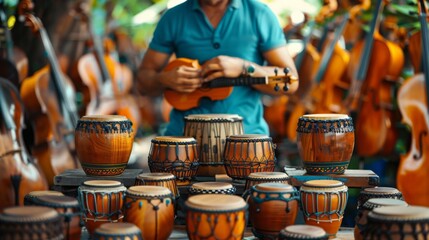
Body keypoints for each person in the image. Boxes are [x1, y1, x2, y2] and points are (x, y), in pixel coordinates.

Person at [137, 0, 299, 136]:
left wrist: (244, 67)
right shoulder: (173, 18)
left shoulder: (260, 14)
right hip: (183, 139)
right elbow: (143, 80)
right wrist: (164, 79)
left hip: (246, 139)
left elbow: (291, 81)